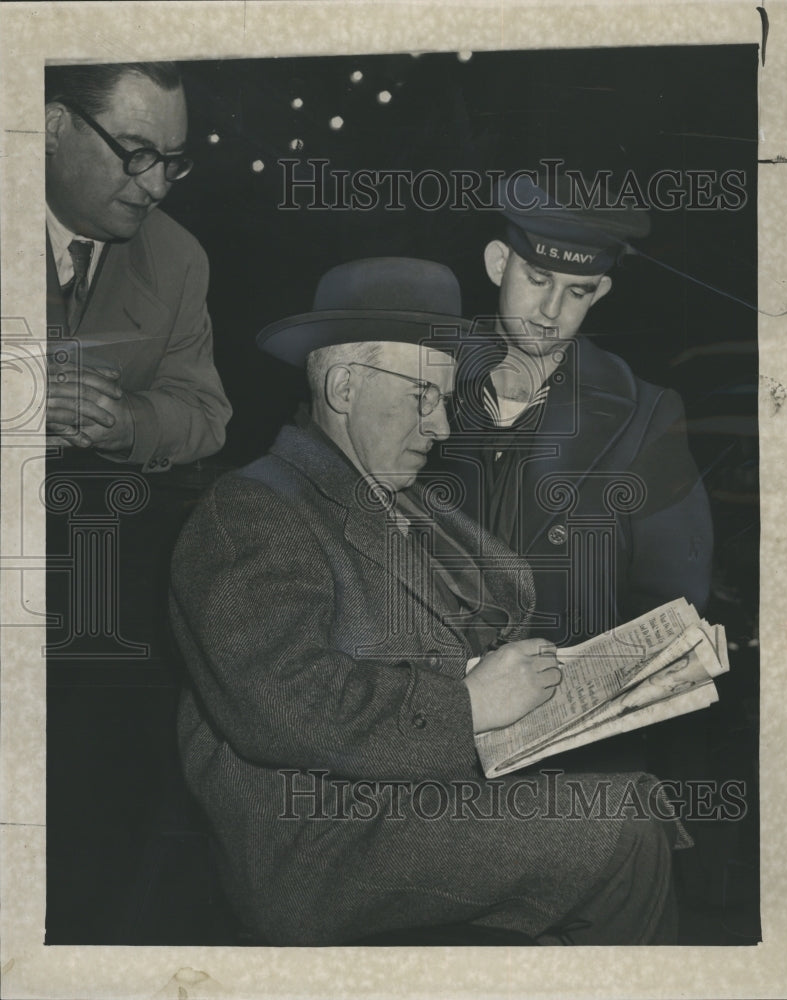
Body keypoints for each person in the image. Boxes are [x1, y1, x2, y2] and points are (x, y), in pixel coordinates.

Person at [169, 257, 687, 946]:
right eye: (421, 397)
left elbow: (482, 630)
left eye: (444, 400)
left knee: (629, 798)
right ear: (344, 386)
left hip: (417, 797)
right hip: (324, 840)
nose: (441, 427)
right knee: (622, 827)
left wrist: (608, 677)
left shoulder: (408, 506)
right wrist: (470, 705)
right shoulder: (251, 509)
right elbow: (286, 708)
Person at [434, 172, 713, 646]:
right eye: (538, 279)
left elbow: (673, 608)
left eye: (577, 291)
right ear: (498, 263)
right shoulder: (421, 387)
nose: (550, 309)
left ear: (600, 292)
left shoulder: (645, 418)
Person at [44, 61, 232, 471]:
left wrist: (125, 421)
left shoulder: (178, 257)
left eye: (171, 160)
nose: (157, 187)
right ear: (54, 126)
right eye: (136, 152)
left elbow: (204, 412)